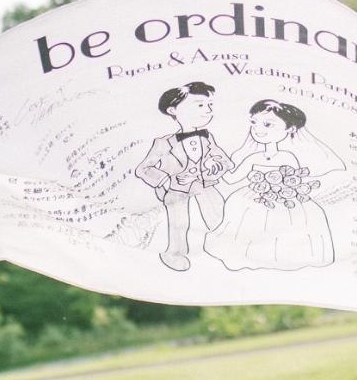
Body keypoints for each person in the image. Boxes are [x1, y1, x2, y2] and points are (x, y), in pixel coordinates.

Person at [203, 98, 343, 271]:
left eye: (268, 125)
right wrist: (217, 164)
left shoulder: (287, 157)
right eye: (254, 123)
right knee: (247, 217)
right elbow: (231, 179)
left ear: (290, 129)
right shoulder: (253, 158)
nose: (257, 129)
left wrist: (282, 190)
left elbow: (293, 180)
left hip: (283, 198)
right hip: (253, 196)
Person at [133, 81, 235, 271]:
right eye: (199, 105)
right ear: (173, 110)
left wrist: (213, 166)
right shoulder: (164, 143)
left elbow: (225, 161)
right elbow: (143, 169)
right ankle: (175, 254)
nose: (207, 110)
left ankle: (226, 249)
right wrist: (167, 180)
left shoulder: (208, 137)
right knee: (179, 223)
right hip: (176, 189)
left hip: (204, 185)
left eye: (209, 105)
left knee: (218, 215)